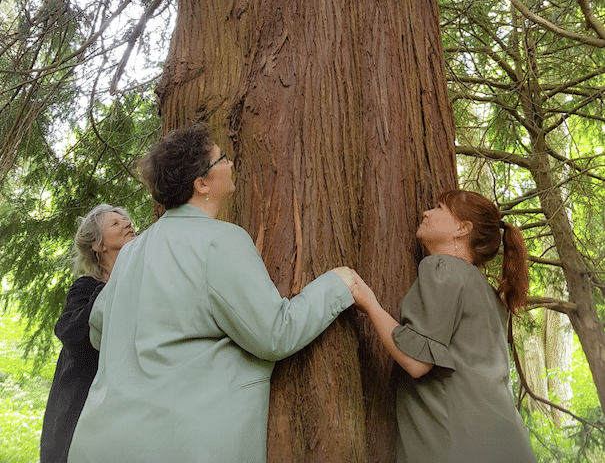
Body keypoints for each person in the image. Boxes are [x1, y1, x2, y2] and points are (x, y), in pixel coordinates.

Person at [68, 122, 355, 463]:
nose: (230, 163)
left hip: (99, 442)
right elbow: (274, 335)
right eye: (222, 159)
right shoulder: (221, 240)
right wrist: (337, 284)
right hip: (177, 445)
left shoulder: (132, 252)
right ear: (201, 183)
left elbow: (99, 332)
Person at [351, 189, 537, 463]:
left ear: (463, 229)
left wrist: (369, 303)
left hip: (464, 448)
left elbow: (416, 363)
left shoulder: (443, 268)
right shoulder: (491, 297)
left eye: (438, 207)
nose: (426, 212)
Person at [40, 204, 136, 463]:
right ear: (98, 245)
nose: (127, 224)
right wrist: (109, 287)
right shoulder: (86, 287)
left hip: (127, 401)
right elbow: (71, 333)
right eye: (115, 224)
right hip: (83, 403)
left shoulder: (138, 282)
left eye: (126, 221)